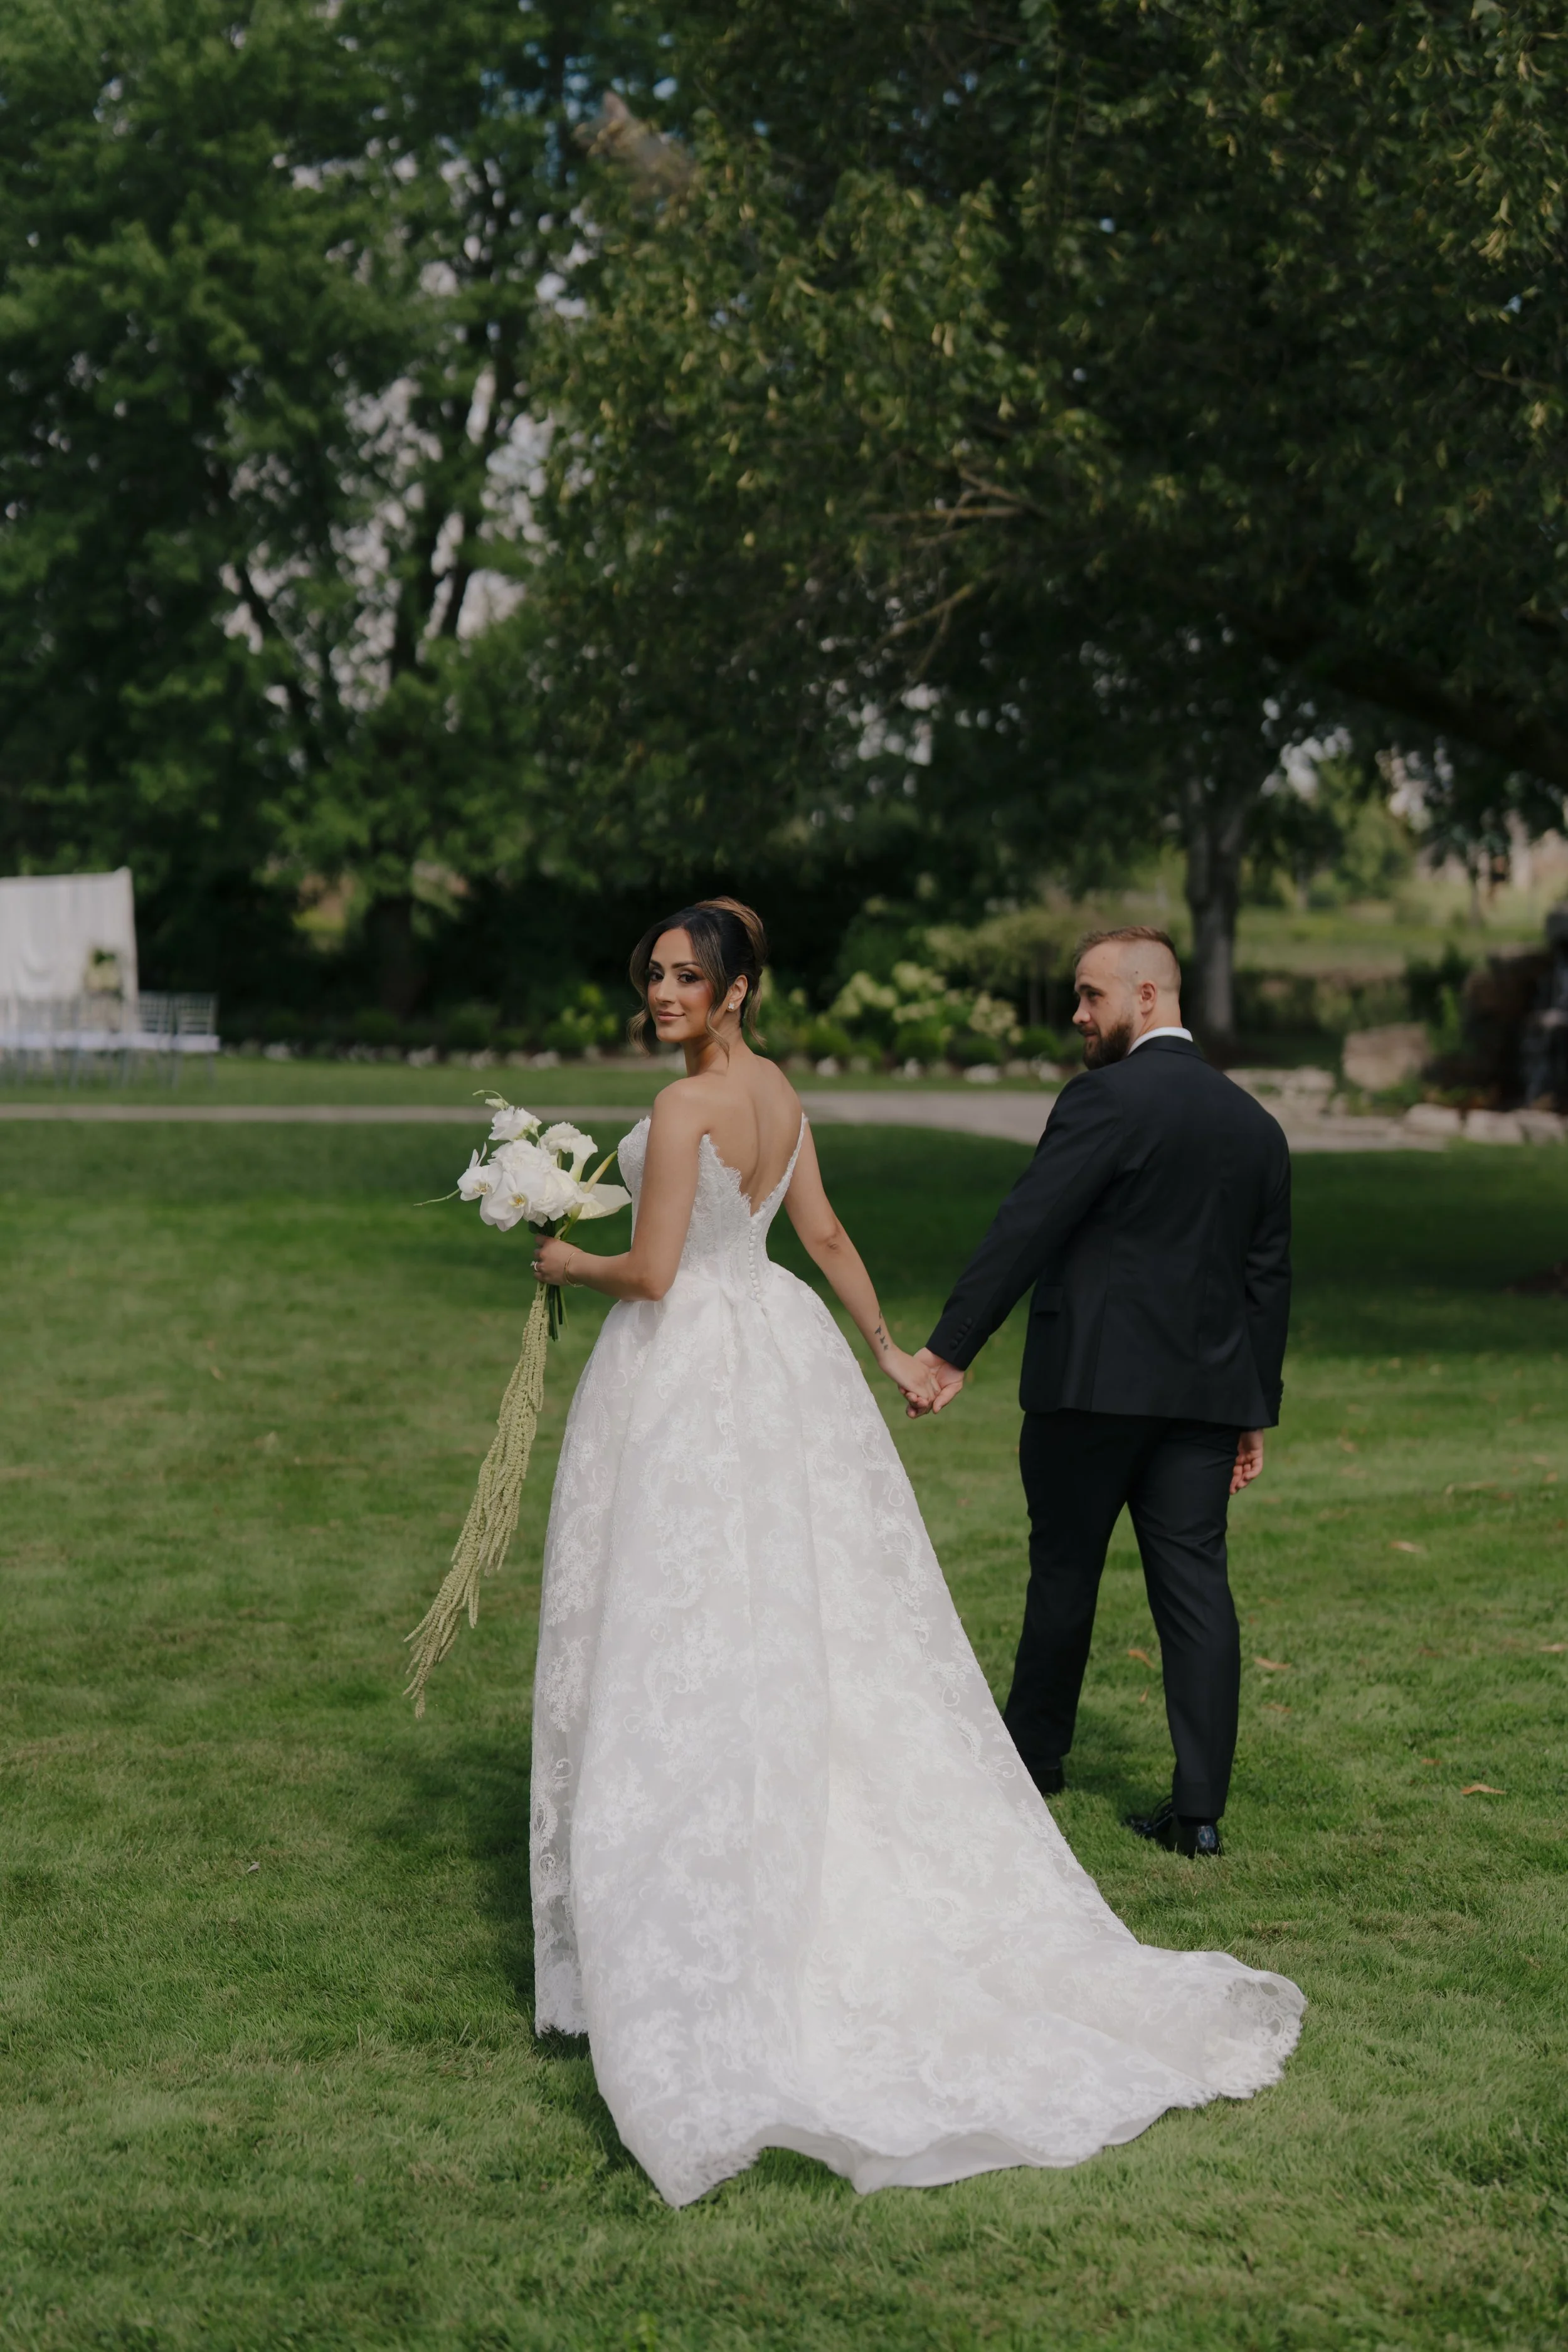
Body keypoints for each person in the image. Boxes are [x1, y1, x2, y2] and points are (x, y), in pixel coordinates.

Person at [527, 898, 1302, 2208]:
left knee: (702, 1603)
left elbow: (661, 1270)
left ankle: (720, 1855)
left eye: (681, 978)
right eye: (651, 975)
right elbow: (820, 1237)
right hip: (803, 1351)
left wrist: (563, 1257)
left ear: (732, 991)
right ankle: (1187, 1804)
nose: (660, 993)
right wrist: (887, 1350)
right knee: (814, 1596)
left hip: (723, 1365)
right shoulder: (781, 1092)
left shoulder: (681, 1113)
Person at [909, 926, 1292, 1859]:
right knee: (1198, 1590)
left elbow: (1025, 1227)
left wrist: (952, 1349)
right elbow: (1266, 1281)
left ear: (1149, 997)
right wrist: (1253, 1407)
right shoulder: (1257, 1124)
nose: (1077, 1015)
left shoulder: (1105, 1099)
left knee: (1066, 1572)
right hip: (1204, 1400)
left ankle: (1034, 1762)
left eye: (1091, 997)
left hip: (1091, 1390)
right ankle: (1199, 1813)